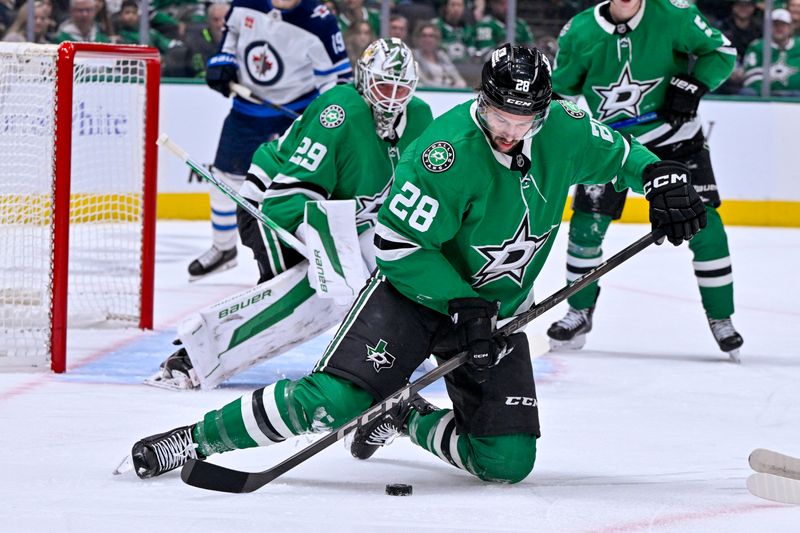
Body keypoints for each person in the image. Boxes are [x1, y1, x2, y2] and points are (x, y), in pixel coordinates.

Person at [128, 44, 706, 483]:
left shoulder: (566, 128)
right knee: (330, 402)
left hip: (494, 310)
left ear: (544, 112)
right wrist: (463, 305)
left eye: (521, 121)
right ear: (482, 100)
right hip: (414, 297)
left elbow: (624, 154)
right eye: (498, 115)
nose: (507, 131)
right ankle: (196, 439)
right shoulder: (444, 152)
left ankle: (406, 417)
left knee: (507, 462)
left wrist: (662, 179)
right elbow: (398, 247)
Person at [146, 38, 433, 390]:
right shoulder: (340, 112)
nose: (392, 97)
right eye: (383, 85)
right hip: (268, 206)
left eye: (401, 87)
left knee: (385, 267)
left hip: (337, 220)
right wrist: (322, 254)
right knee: (298, 297)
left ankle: (401, 346)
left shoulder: (420, 118)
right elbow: (285, 200)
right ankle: (193, 357)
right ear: (364, 79)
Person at [549, 0, 744, 358]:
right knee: (585, 228)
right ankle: (578, 310)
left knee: (705, 225)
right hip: (610, 145)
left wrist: (693, 85)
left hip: (675, 137)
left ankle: (722, 318)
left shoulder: (675, 13)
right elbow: (560, 95)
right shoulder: (579, 31)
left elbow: (721, 51)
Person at [190, 0, 351, 280]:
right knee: (224, 180)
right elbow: (230, 40)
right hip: (246, 110)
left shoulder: (319, 21)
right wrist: (222, 63)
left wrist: (328, 117)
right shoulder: (245, 3)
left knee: (297, 188)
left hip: (297, 116)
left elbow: (337, 81)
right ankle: (223, 248)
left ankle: (302, 255)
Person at [161, 1, 229, 78]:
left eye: (224, 19)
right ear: (208, 21)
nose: (220, 24)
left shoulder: (239, 41)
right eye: (215, 20)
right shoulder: (193, 39)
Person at [742, 9, 800, 96]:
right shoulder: (757, 46)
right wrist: (765, 94)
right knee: (747, 92)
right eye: (775, 25)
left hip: (795, 95)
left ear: (790, 27)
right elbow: (751, 75)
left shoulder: (798, 45)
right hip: (763, 95)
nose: (779, 28)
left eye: (783, 25)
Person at [413, 22, 467, 88]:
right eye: (424, 36)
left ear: (437, 39)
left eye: (431, 36)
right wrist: (447, 87)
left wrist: (460, 83)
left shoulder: (442, 55)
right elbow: (422, 81)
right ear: (419, 38)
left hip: (449, 92)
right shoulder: (414, 56)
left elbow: (456, 76)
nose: (427, 39)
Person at [433, 0, 476, 64]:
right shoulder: (435, 26)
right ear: (446, 7)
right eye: (452, 5)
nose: (456, 9)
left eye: (459, 5)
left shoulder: (468, 29)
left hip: (465, 68)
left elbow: (472, 52)